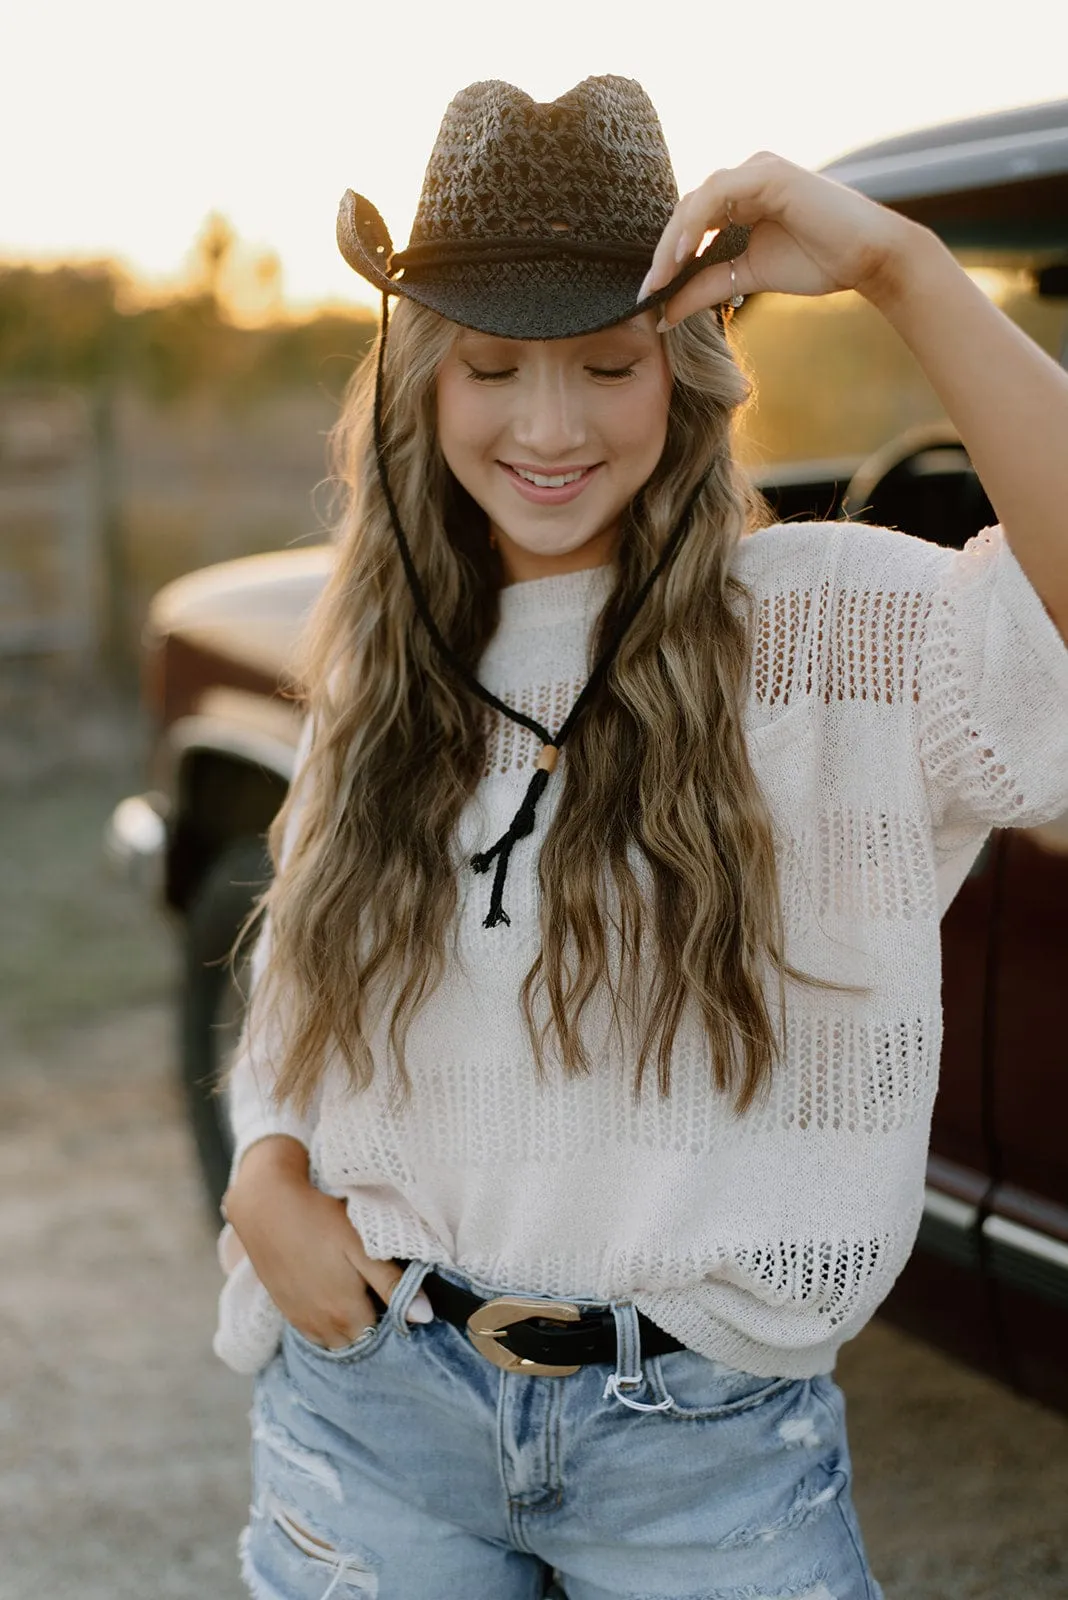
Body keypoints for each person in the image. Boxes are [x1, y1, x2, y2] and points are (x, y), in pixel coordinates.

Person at [215, 76, 1068, 1600]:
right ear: (425, 382)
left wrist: (901, 271)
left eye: (607, 364)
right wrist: (266, 1163)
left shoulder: (825, 631)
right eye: (492, 368)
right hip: (375, 1416)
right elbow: (306, 961)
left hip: (707, 1458)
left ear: (682, 369)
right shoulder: (392, 652)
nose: (548, 427)